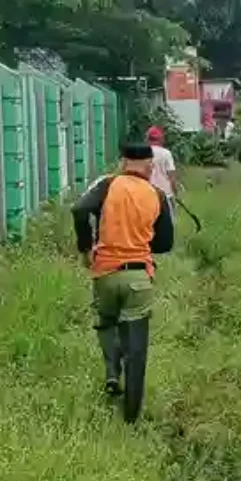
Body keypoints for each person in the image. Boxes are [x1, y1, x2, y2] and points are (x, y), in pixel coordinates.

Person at [71, 144, 174, 424]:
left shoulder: (108, 184)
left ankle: (112, 372)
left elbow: (79, 210)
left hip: (105, 272)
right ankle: (131, 415)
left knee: (106, 321)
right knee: (137, 342)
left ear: (123, 163)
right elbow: (165, 243)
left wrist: (85, 248)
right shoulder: (157, 195)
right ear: (150, 167)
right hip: (139, 276)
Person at [146, 126, 178, 202]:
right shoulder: (166, 153)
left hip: (148, 193)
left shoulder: (143, 153)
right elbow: (171, 176)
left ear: (148, 139)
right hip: (166, 193)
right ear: (161, 139)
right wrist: (175, 191)